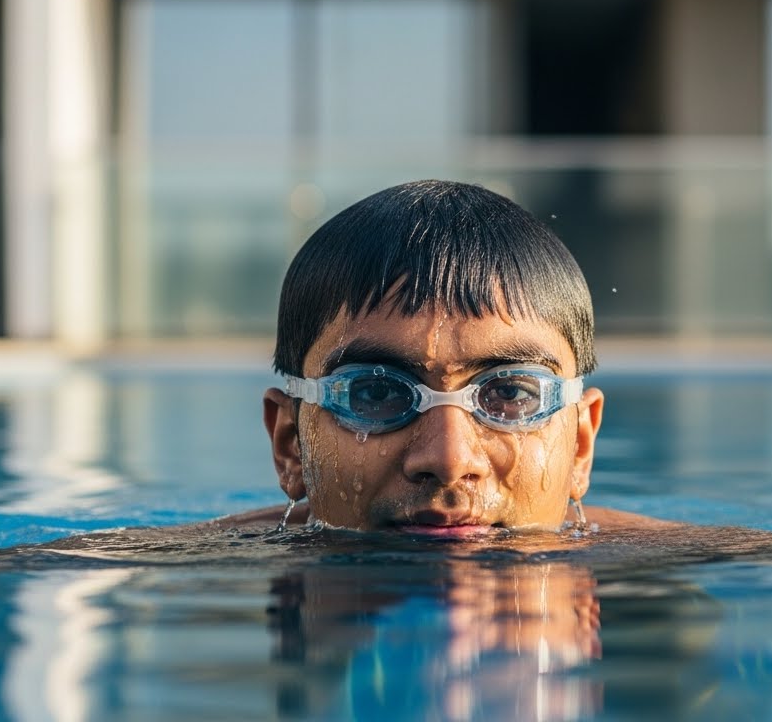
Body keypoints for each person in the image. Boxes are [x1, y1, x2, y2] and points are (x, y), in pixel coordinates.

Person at [224, 178, 675, 537]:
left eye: (510, 392)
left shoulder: (708, 560)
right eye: (376, 391)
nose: (449, 461)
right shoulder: (168, 566)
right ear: (291, 446)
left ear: (580, 446)